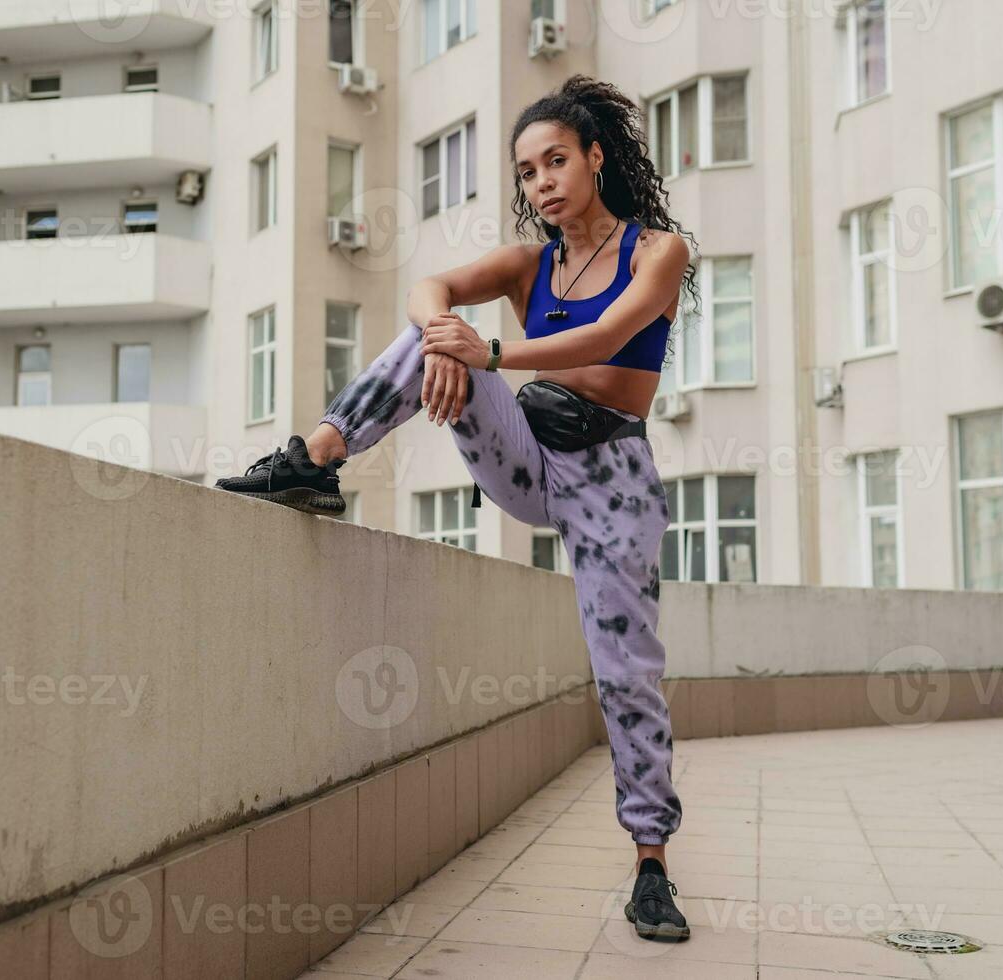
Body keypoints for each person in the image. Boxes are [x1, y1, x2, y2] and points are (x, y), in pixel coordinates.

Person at [215, 74, 701, 942]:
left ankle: (652, 864)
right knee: (430, 331)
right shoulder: (528, 263)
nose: (541, 181)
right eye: (525, 171)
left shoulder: (657, 250)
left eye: (556, 160)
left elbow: (609, 336)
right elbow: (427, 287)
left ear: (596, 157)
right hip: (530, 453)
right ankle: (316, 459)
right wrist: (452, 340)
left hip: (613, 476)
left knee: (626, 673)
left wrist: (492, 348)